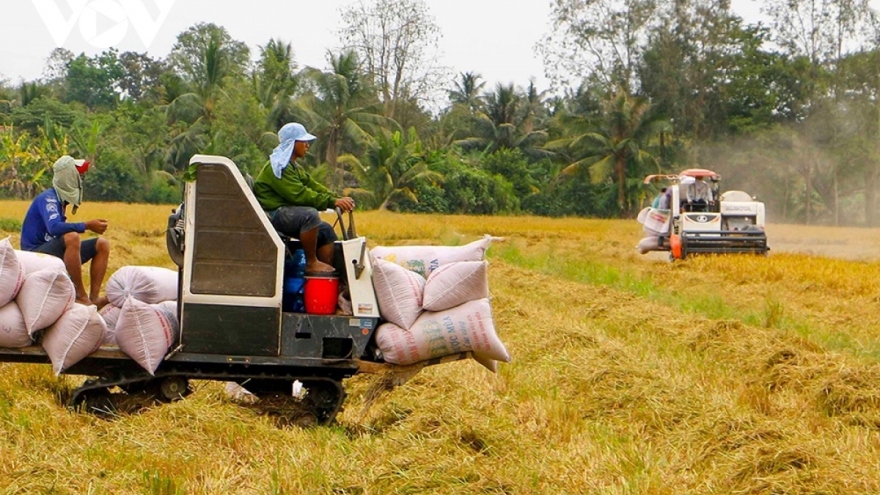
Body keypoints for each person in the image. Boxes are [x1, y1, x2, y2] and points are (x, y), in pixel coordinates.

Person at [253, 123, 355, 275]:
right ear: (292, 143)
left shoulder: (293, 166)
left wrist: (336, 198)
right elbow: (299, 194)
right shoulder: (279, 167)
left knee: (326, 230)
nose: (307, 145)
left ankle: (326, 275)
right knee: (310, 215)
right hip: (272, 215)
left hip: (284, 212)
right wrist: (331, 202)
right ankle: (311, 263)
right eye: (303, 141)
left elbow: (312, 185)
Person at [21, 155, 110, 307]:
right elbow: (54, 228)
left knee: (102, 244)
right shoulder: (49, 198)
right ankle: (81, 296)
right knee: (72, 237)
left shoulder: (61, 202)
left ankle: (94, 297)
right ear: (68, 178)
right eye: (78, 176)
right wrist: (86, 225)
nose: (80, 181)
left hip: (51, 251)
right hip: (35, 254)